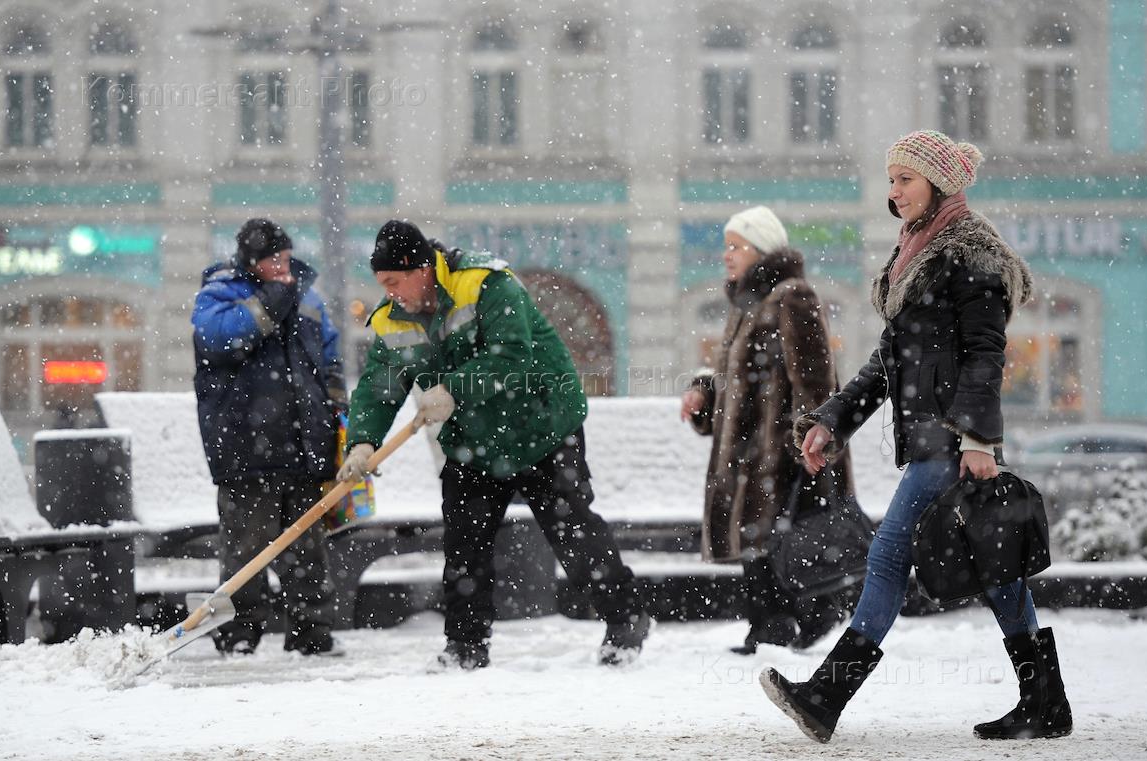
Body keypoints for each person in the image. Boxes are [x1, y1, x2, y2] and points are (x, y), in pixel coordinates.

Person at [760, 131, 1072, 742]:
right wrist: (831, 420)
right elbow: (889, 361)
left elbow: (985, 353)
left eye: (905, 179)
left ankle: (825, 697)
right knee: (998, 570)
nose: (895, 191)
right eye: (892, 179)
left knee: (887, 557)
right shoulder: (918, 251)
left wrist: (977, 440)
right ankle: (1045, 701)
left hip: (950, 443)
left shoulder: (972, 254)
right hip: (935, 440)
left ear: (937, 183)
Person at [339, 220, 649, 670]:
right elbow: (378, 387)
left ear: (422, 269)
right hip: (472, 440)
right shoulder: (392, 319)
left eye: (394, 281)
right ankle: (465, 646)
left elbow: (511, 355)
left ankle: (625, 618)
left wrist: (452, 389)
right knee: (465, 544)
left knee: (572, 531)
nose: (389, 293)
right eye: (382, 283)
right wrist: (363, 443)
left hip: (540, 423)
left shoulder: (485, 283)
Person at [681, 205, 854, 654]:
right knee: (757, 540)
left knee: (773, 538)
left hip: (780, 452)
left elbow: (815, 380)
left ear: (762, 250)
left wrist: (809, 439)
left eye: (736, 246)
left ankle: (794, 617)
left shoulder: (792, 297)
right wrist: (703, 393)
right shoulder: (747, 305)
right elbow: (734, 381)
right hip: (749, 452)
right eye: (726, 246)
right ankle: (773, 623)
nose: (727, 255)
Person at [192, 218, 346, 656]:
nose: (282, 267)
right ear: (250, 261)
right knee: (246, 548)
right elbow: (221, 340)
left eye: (285, 258)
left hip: (303, 447)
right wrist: (272, 301)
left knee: (308, 547)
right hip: (246, 450)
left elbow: (329, 360)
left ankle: (312, 631)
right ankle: (239, 634)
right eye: (272, 259)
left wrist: (337, 411)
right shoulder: (219, 295)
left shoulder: (308, 297)